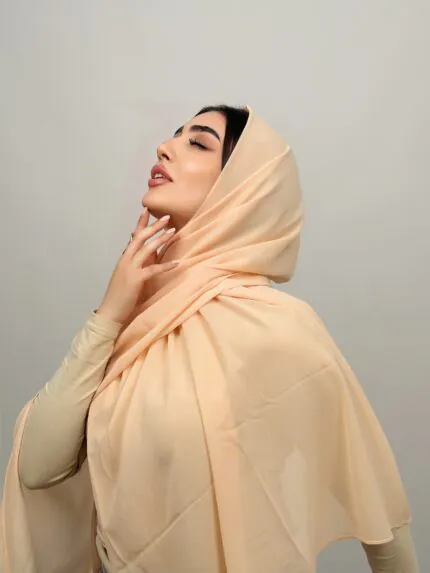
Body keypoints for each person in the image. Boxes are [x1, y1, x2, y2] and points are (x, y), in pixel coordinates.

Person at [0, 105, 419, 573]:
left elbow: (379, 507)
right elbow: (38, 467)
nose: (164, 147)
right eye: (174, 136)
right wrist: (112, 311)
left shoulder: (279, 328)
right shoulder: (140, 323)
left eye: (198, 143)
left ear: (241, 190)